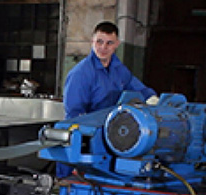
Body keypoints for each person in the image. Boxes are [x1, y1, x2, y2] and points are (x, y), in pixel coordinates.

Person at [59, 21, 157, 177]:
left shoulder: (119, 70)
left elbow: (137, 87)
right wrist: (81, 150)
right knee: (73, 184)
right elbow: (74, 114)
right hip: (84, 138)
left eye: (109, 43)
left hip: (111, 134)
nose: (103, 47)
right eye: (99, 42)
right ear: (92, 41)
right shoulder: (81, 73)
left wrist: (152, 98)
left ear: (117, 44)